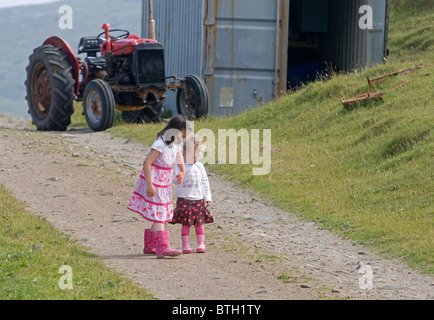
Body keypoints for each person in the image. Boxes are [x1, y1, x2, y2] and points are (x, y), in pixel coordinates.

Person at [128, 115, 189, 258]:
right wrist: (149, 185)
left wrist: (182, 171)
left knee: (160, 215)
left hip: (164, 185)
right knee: (160, 216)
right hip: (155, 184)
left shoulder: (176, 143)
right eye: (183, 135)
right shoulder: (160, 143)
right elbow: (147, 163)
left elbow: (178, 156)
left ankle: (150, 246)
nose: (184, 138)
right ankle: (162, 247)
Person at [170, 134, 214, 254]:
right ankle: (186, 245)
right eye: (192, 155)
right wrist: (177, 179)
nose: (194, 159)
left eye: (197, 156)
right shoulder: (180, 165)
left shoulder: (199, 166)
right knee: (186, 223)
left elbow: (205, 182)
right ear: (184, 152)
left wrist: (207, 197)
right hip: (184, 198)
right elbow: (173, 179)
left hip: (198, 198)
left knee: (199, 223)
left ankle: (201, 243)